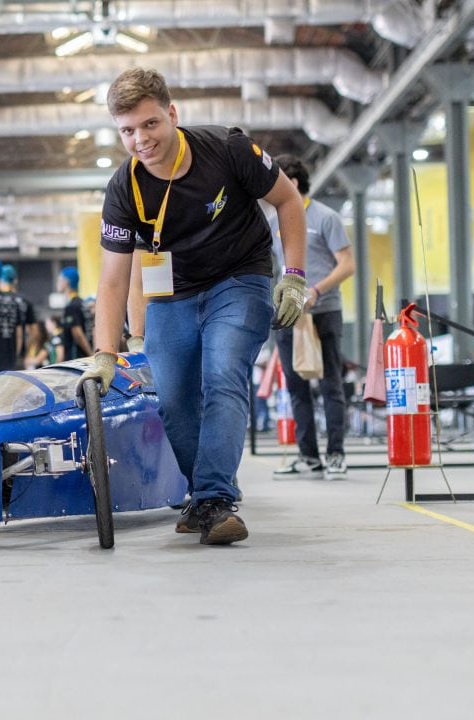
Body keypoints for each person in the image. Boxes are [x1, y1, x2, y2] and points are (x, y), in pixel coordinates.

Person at [81, 67, 308, 545]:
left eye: (150, 124)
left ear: (172, 113)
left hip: (239, 278)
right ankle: (205, 496)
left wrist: (294, 276)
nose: (141, 140)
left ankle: (213, 499)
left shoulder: (227, 149)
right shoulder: (123, 189)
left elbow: (288, 201)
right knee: (173, 400)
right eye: (127, 131)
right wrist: (105, 353)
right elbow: (114, 278)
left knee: (223, 375)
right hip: (173, 293)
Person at [270, 155, 356, 479]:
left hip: (325, 310)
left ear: (292, 183)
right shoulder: (273, 222)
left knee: (330, 383)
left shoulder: (325, 217)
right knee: (296, 387)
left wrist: (317, 290)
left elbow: (347, 264)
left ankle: (336, 454)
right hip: (289, 314)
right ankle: (309, 456)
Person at [0, 263, 38, 358]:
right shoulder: (24, 301)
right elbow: (34, 332)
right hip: (18, 354)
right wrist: (24, 349)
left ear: (0, 280)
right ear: (15, 281)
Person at [58, 266, 91, 360]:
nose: (58, 283)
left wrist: (91, 354)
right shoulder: (83, 303)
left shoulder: (71, 307)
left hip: (76, 358)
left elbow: (78, 335)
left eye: (59, 280)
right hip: (84, 358)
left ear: (66, 281)